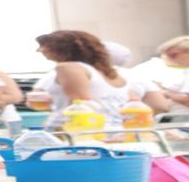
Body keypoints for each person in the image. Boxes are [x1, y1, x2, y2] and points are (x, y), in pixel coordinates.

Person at [33, 30, 166, 119]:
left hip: (84, 134)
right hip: (116, 129)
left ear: (60, 48)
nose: (39, 50)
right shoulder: (111, 72)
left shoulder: (68, 68)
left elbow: (81, 104)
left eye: (44, 46)